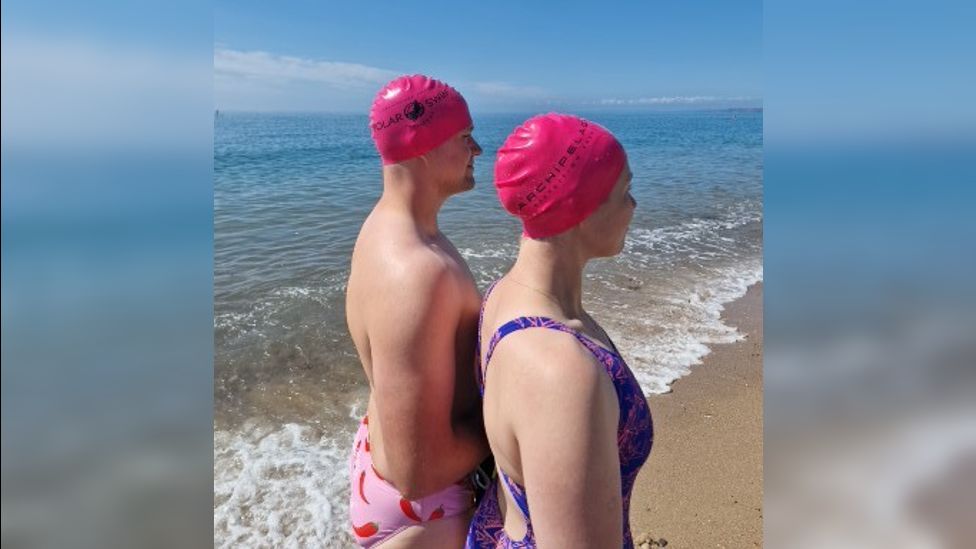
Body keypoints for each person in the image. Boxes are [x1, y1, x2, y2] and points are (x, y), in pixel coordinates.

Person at [465, 114, 653, 548]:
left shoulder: (501, 296)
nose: (634, 206)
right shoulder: (561, 373)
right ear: (579, 208)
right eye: (625, 191)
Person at [346, 74, 490, 548]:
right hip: (426, 510)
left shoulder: (381, 229)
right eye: (466, 137)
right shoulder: (415, 272)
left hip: (383, 476)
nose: (479, 150)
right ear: (422, 146)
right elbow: (420, 470)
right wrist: (509, 429)